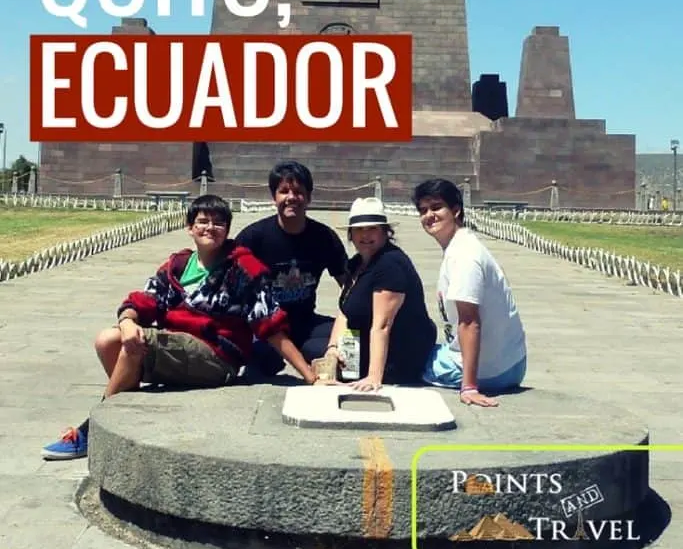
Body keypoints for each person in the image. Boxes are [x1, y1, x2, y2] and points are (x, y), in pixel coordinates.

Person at [42, 194, 318, 460]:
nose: (211, 228)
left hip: (217, 357)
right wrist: (127, 321)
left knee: (137, 344)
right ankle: (125, 413)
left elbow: (269, 324)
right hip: (178, 346)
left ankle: (94, 431)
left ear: (228, 230)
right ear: (190, 228)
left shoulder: (243, 268)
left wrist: (308, 375)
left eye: (219, 223)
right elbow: (146, 299)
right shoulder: (179, 265)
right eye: (203, 221)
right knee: (107, 340)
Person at [413, 178, 527, 407]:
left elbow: (469, 322)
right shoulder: (461, 245)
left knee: (403, 360)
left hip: (492, 372)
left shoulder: (464, 256)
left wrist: (470, 387)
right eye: (423, 210)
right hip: (512, 363)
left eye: (436, 208)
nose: (429, 216)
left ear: (456, 210)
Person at [234, 161, 348, 373]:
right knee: (263, 362)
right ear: (273, 197)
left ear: (309, 197)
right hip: (263, 327)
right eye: (284, 191)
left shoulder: (324, 237)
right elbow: (227, 283)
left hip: (305, 323)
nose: (291, 198)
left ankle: (307, 353)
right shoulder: (254, 237)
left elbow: (349, 286)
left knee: (349, 344)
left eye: (298, 192)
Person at [323, 197, 437, 390]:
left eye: (372, 228)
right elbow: (344, 310)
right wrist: (332, 348)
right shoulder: (356, 263)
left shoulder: (390, 264)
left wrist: (374, 377)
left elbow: (382, 325)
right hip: (361, 339)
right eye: (359, 229)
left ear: (385, 232)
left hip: (398, 352)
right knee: (314, 347)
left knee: (310, 351)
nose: (365, 235)